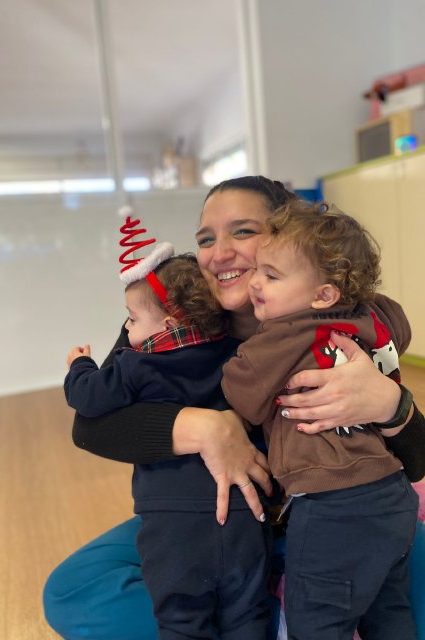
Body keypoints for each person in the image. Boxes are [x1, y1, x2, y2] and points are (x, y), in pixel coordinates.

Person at [43, 176, 425, 640]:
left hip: (330, 517)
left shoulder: (337, 315)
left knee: (406, 576)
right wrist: (204, 428)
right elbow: (90, 427)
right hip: (209, 523)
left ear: (287, 238)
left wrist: (390, 404)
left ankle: (272, 613)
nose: (219, 253)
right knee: (72, 591)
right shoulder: (171, 311)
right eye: (206, 239)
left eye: (243, 231)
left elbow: (417, 461)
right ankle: (276, 617)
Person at [221, 200, 419, 639]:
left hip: (334, 506)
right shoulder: (370, 316)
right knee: (390, 613)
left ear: (323, 294)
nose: (256, 283)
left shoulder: (281, 336)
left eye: (272, 276)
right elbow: (400, 327)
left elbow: (242, 393)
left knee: (316, 623)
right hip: (393, 495)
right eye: (258, 270)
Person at [64, 249, 272, 638]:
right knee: (247, 613)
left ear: (169, 324)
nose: (127, 329)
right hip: (243, 513)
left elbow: (87, 398)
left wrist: (80, 365)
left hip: (174, 524)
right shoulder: (234, 354)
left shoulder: (134, 365)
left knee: (182, 620)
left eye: (131, 319)